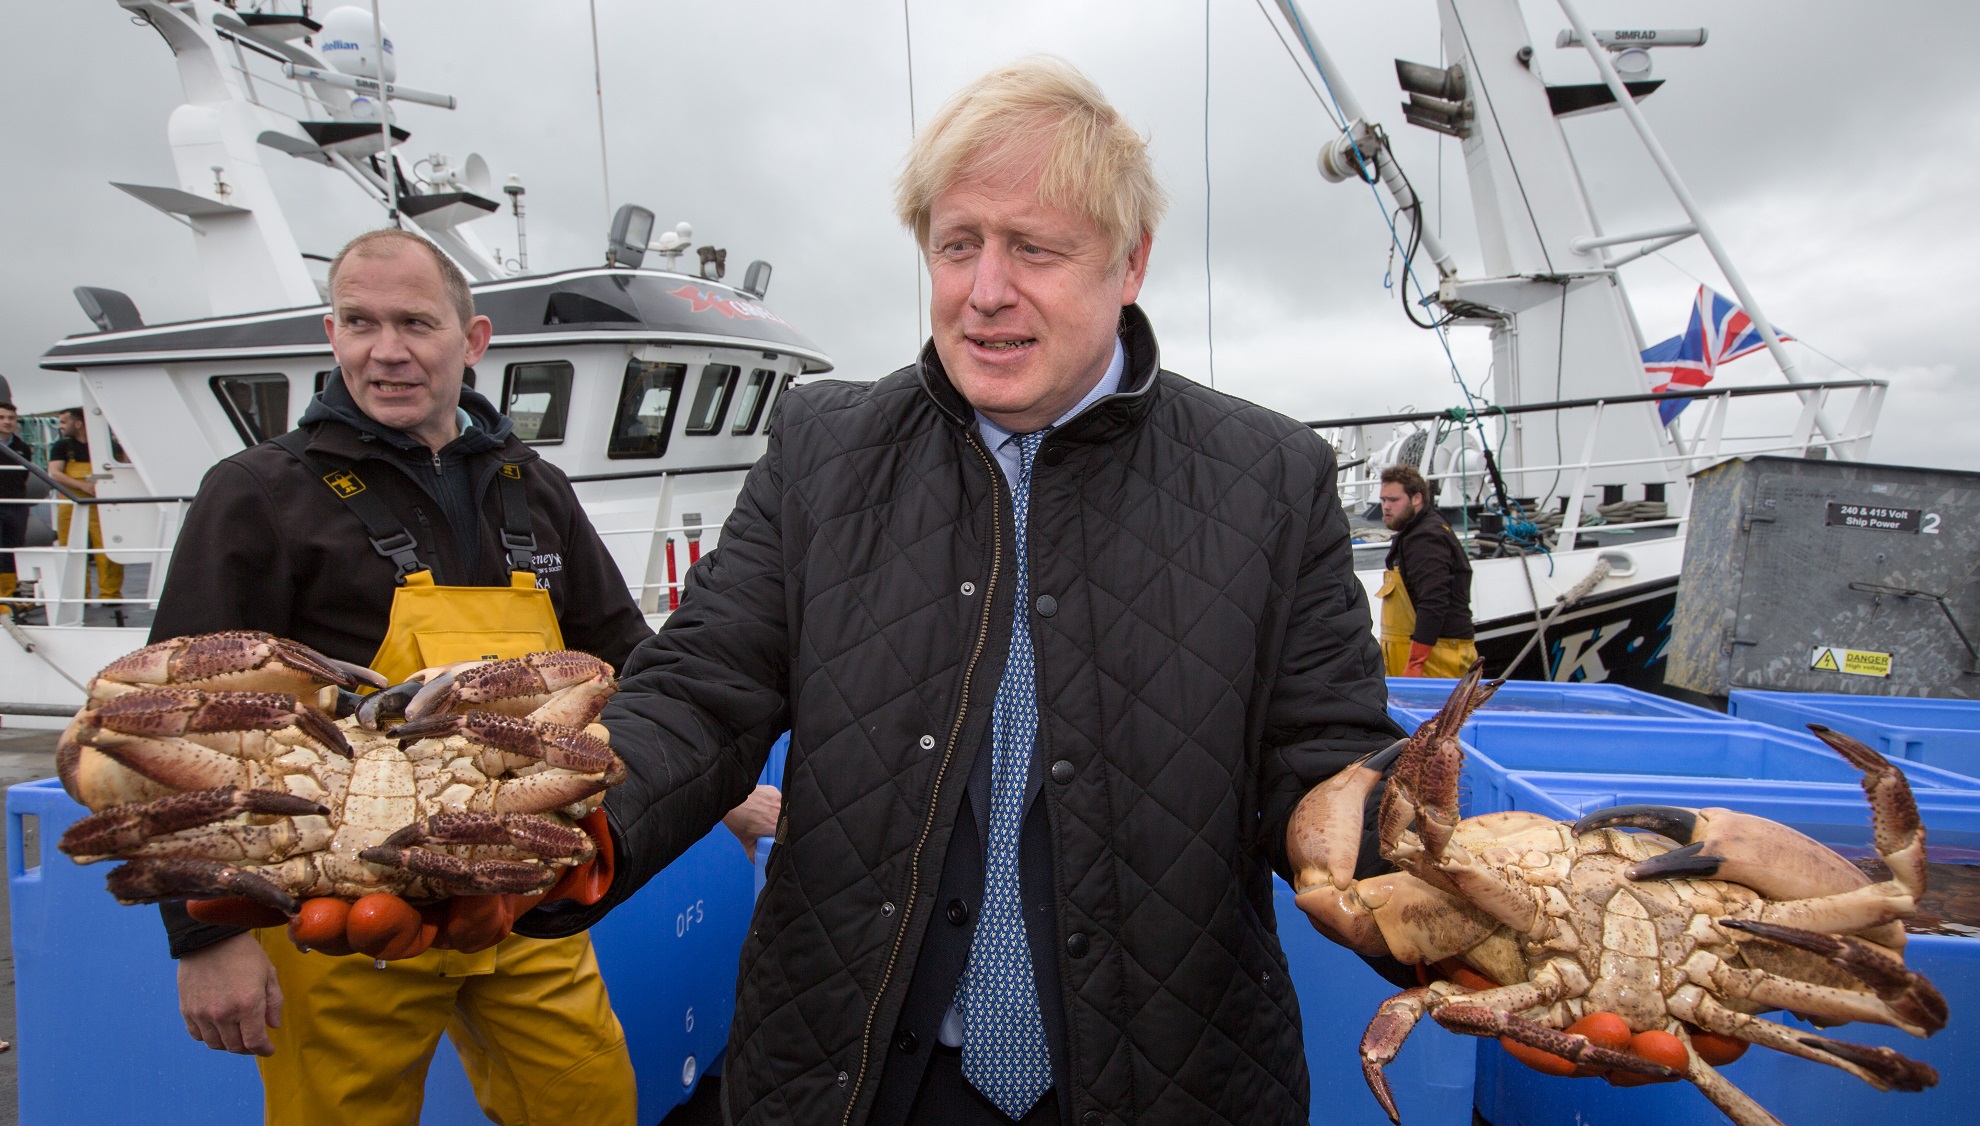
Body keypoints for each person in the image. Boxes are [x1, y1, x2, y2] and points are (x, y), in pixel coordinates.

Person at [515, 58, 1402, 1125]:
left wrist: (1434, 890)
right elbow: (700, 688)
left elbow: (1323, 759)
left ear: (1132, 262)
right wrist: (558, 834)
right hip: (855, 1072)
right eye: (957, 244)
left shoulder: (1272, 477)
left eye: (1035, 248)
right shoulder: (820, 448)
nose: (986, 291)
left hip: (1167, 1077)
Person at [147, 227, 776, 1125]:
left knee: (590, 1101)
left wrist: (723, 790)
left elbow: (633, 657)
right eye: (359, 322)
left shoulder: (533, 486)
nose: (386, 350)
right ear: (332, 336)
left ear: (472, 341)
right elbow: (187, 716)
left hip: (521, 891)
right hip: (344, 915)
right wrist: (203, 936)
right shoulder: (257, 491)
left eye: (415, 322)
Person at [1376, 464, 1477, 678]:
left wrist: (1415, 664)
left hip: (1437, 660)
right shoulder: (1414, 533)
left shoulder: (1426, 539)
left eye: (1393, 500)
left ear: (1416, 499)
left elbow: (1434, 600)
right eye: (1383, 500)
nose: (1386, 507)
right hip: (1415, 654)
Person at [47, 405, 123, 603]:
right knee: (72, 549)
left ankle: (110, 594)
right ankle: (79, 595)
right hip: (71, 504)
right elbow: (55, 473)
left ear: (79, 423)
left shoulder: (107, 446)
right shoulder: (61, 447)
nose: (61, 426)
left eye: (64, 422)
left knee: (107, 549)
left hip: (102, 505)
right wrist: (83, 486)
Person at [0, 401, 33, 606]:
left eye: (11, 418)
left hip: (17, 505)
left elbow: (25, 475)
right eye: (2, 417)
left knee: (14, 548)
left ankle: (10, 594)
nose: (7, 422)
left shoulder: (22, 447)